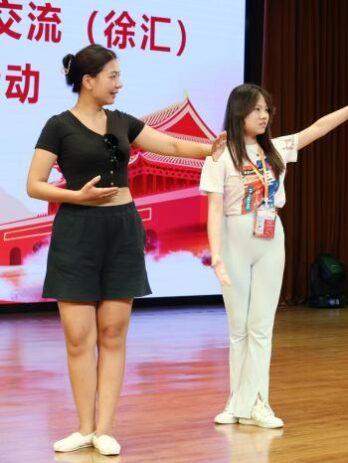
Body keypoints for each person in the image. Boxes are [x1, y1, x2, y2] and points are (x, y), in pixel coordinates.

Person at [26, 44, 226, 456]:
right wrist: (77, 196)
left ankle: (104, 430)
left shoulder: (122, 122)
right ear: (88, 81)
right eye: (112, 76)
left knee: (113, 334)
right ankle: (83, 428)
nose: (119, 83)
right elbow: (35, 184)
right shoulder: (57, 126)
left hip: (122, 231)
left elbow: (171, 146)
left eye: (119, 76)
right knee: (78, 339)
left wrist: (210, 149)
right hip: (76, 233)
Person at [200, 78, 348, 428]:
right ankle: (236, 402)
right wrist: (216, 255)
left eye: (267, 109)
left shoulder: (276, 150)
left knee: (261, 326)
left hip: (270, 234)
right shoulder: (220, 155)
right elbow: (214, 209)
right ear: (238, 112)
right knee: (239, 327)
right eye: (256, 109)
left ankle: (259, 403)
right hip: (234, 235)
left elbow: (318, 128)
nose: (264, 115)